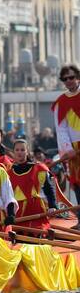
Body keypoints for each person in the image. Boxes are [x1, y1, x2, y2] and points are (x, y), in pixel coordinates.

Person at [52, 64, 80, 221]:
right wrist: (68, 148)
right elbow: (61, 129)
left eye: (71, 77)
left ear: (77, 77)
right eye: (65, 79)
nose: (69, 81)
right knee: (76, 183)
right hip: (73, 150)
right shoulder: (61, 102)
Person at [7, 139, 53, 232]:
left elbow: (48, 189)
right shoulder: (8, 172)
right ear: (14, 152)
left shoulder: (38, 168)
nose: (20, 152)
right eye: (17, 150)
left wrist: (52, 205)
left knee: (36, 233)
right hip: (17, 211)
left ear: (27, 152)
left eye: (22, 150)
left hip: (34, 209)